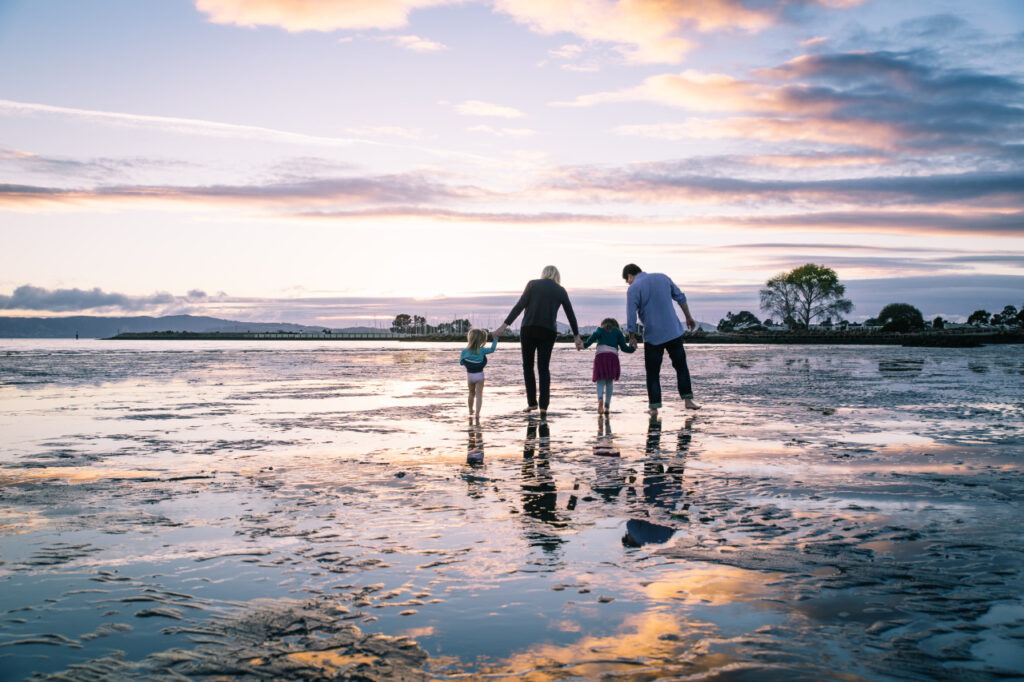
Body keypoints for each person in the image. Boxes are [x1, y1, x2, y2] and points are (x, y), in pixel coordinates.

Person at [495, 265, 582, 418]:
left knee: (528, 366)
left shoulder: (532, 284)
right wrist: (576, 336)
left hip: (528, 328)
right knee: (543, 368)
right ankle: (543, 406)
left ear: (544, 274)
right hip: (548, 331)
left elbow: (519, 306)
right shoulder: (560, 290)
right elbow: (570, 313)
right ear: (557, 276)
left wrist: (503, 326)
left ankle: (532, 402)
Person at [622, 263, 700, 415]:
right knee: (681, 367)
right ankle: (688, 400)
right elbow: (680, 297)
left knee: (653, 373)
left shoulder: (633, 288)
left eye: (627, 281)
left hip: (653, 335)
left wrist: (631, 336)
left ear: (629, 276)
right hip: (673, 331)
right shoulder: (663, 277)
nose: (629, 283)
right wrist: (688, 317)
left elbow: (631, 313)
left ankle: (654, 407)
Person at [582, 317, 635, 414]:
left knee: (600, 381)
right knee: (609, 382)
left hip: (600, 357)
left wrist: (583, 345)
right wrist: (633, 348)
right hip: (612, 357)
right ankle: (607, 406)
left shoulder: (599, 330)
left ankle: (600, 399)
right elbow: (624, 348)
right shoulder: (618, 332)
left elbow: (591, 340)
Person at [460, 328, 498, 420]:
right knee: (479, 395)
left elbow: (461, 363)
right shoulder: (482, 350)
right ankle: (477, 413)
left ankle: (470, 410)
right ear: (481, 340)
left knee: (471, 393)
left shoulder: (464, 351)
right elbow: (492, 349)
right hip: (479, 375)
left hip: (470, 376)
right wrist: (495, 339)